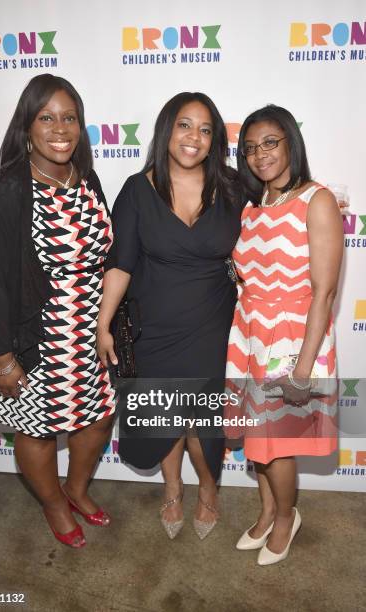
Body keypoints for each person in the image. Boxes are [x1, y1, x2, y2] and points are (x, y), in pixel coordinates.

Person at [0, 74, 116, 548]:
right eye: (46, 117)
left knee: (96, 418)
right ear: (27, 127)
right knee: (38, 430)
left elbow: (106, 254)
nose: (60, 128)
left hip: (91, 333)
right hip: (38, 340)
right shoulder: (8, 193)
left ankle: (75, 488)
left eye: (69, 117)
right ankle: (54, 504)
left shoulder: (86, 179)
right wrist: (1, 357)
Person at [97, 92, 244, 539]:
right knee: (164, 417)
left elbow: (275, 213)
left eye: (204, 129)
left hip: (211, 325)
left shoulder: (234, 187)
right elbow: (121, 262)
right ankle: (173, 489)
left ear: (214, 140)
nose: (193, 137)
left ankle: (209, 492)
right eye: (184, 125)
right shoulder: (138, 190)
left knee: (201, 422)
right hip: (153, 327)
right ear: (167, 130)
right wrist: (103, 324)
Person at [225, 104, 343, 565]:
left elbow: (325, 292)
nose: (260, 155)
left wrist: (303, 367)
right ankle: (268, 508)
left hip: (294, 339)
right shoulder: (254, 208)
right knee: (260, 440)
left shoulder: (318, 200)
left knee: (276, 444)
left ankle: (287, 516)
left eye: (270, 142)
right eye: (251, 148)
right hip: (251, 334)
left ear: (291, 141)